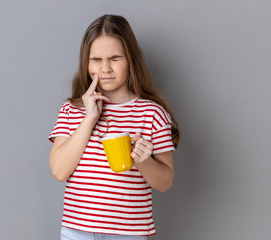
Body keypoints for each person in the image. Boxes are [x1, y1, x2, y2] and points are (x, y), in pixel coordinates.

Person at [48, 14, 180, 240]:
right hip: (76, 232)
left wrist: (143, 161)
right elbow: (59, 171)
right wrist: (89, 118)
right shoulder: (71, 110)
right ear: (86, 63)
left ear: (131, 60)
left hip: (128, 234)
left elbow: (165, 182)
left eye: (115, 58)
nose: (106, 68)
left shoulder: (152, 113)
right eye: (96, 59)